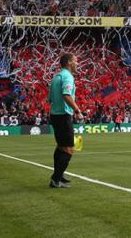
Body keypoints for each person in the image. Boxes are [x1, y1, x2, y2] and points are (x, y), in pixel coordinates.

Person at [48, 53, 83, 188]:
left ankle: (58, 176)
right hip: (63, 115)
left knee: (61, 147)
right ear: (69, 62)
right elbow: (66, 94)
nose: (77, 63)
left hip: (55, 115)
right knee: (69, 149)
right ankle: (56, 179)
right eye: (76, 60)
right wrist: (77, 111)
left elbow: (50, 99)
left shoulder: (57, 76)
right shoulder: (68, 76)